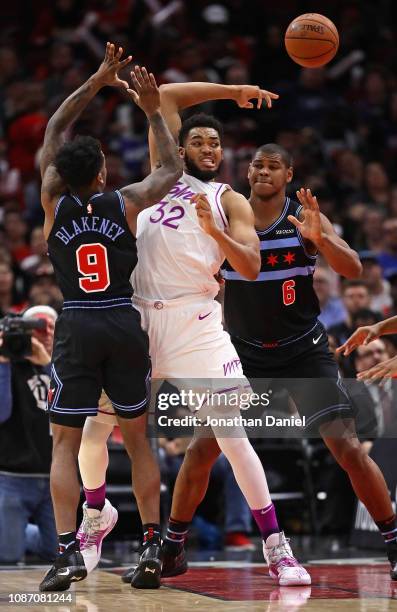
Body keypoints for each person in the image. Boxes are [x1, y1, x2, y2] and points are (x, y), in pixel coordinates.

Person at [133, 87, 396, 581]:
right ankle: (172, 544)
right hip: (244, 352)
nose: (261, 172)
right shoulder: (231, 211)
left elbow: (355, 267)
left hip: (303, 351)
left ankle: (393, 540)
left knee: (346, 448)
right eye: (255, 165)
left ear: (289, 175)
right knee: (203, 449)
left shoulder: (306, 220)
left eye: (272, 166)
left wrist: (323, 241)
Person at [78, 80, 311, 588]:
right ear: (179, 148)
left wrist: (215, 232)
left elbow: (249, 267)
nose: (210, 149)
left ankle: (277, 548)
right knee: (95, 428)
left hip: (197, 323)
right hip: (135, 319)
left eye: (216, 144)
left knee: (232, 436)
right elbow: (161, 97)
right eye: (199, 141)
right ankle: (95, 518)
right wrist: (235, 91)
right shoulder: (162, 177)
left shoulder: (230, 200)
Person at [38, 43, 183, 592]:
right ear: (100, 174)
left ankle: (67, 552)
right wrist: (150, 110)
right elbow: (170, 166)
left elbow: (55, 127)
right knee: (137, 438)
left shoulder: (53, 199)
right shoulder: (124, 201)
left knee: (65, 443)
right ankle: (151, 545)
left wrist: (97, 81)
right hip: (122, 322)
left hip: (76, 322)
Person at [0, 305, 58, 563]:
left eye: (49, 328)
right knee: (9, 556)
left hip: (57, 477)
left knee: (57, 554)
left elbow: (72, 411)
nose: (43, 333)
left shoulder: (67, 366)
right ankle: (17, 533)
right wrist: (2, 362)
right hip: (13, 476)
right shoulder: (9, 364)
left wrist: (48, 365)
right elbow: (1, 413)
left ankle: (25, 532)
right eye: (36, 327)